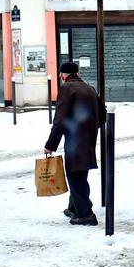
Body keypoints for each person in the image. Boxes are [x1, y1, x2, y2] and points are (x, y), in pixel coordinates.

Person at [44, 61, 100, 226]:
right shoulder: (90, 88)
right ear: (77, 73)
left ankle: (85, 214)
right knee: (80, 174)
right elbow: (102, 114)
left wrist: (51, 144)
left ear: (62, 75)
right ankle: (74, 208)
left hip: (75, 140)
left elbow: (59, 119)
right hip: (89, 139)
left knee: (75, 176)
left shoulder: (66, 89)